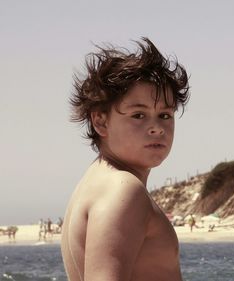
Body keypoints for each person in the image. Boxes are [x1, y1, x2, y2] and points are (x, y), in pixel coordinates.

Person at [61, 37, 190, 281]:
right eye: (138, 115)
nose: (156, 128)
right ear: (100, 121)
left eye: (164, 115)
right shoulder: (122, 189)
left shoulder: (95, 182)